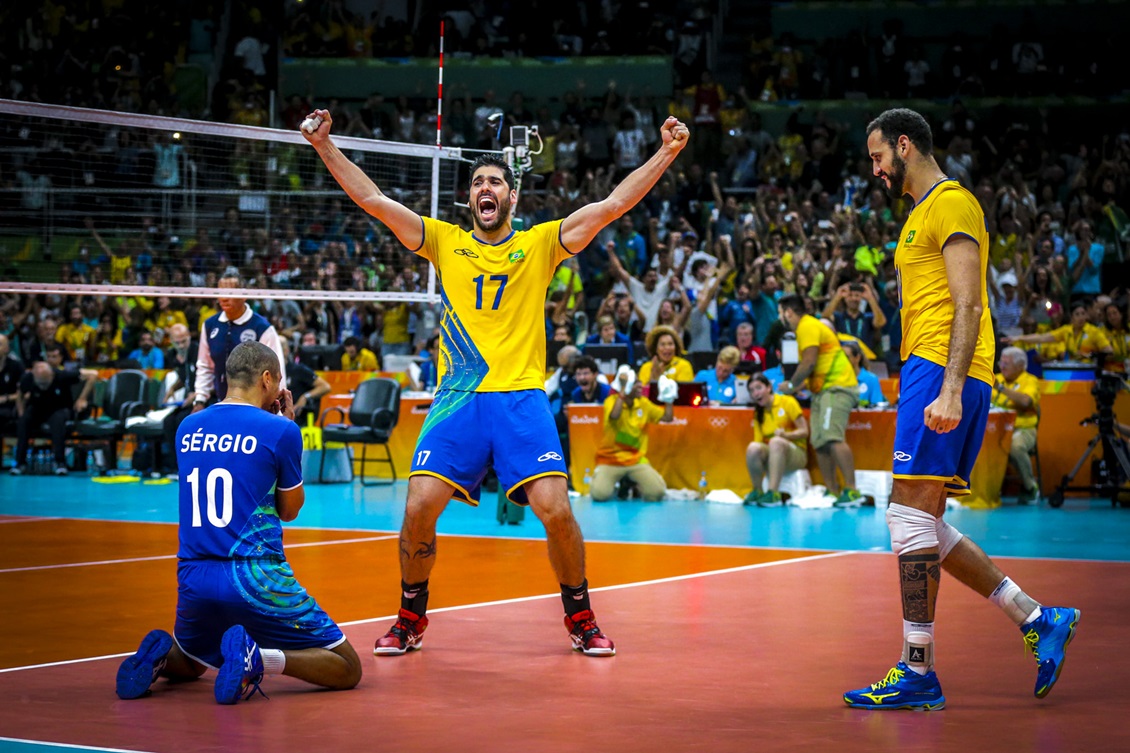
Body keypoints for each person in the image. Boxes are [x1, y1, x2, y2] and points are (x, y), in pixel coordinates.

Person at [304, 105, 690, 656]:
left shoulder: (540, 244)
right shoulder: (442, 241)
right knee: (416, 508)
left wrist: (667, 151)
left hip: (520, 399)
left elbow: (613, 204)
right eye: (478, 182)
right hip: (458, 400)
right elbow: (374, 201)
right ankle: (411, 615)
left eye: (496, 182)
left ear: (511, 197)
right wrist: (324, 147)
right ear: (470, 199)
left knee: (556, 510)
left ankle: (580, 615)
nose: (486, 188)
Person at [844, 107, 1079, 711]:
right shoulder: (920, 215)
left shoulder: (952, 202)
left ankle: (918, 671)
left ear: (904, 145)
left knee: (908, 520)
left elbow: (969, 303)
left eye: (877, 157)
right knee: (916, 518)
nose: (875, 171)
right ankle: (1037, 618)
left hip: (943, 369)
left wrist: (948, 388)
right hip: (929, 367)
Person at [115, 342, 361, 704]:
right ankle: (258, 659)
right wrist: (287, 429)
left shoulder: (188, 427)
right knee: (348, 667)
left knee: (196, 660)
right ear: (266, 379)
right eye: (278, 382)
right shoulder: (280, 431)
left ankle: (162, 658)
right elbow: (289, 510)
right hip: (254, 576)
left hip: (194, 576)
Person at [776, 295, 864, 507]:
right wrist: (802, 385)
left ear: (788, 312)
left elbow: (808, 362)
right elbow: (817, 366)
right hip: (822, 390)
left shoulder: (807, 326)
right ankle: (833, 491)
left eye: (781, 312)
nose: (780, 317)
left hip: (837, 387)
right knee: (819, 441)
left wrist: (790, 385)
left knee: (832, 438)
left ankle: (852, 491)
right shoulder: (805, 329)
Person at [193, 273, 285, 412]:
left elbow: (277, 372)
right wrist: (199, 399)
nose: (223, 298)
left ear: (244, 294)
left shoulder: (262, 328)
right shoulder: (210, 325)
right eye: (220, 292)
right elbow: (205, 366)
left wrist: (277, 409)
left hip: (255, 409)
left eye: (230, 292)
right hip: (220, 405)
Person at [590, 368, 675, 501]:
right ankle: (618, 482)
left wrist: (669, 399)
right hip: (610, 459)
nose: (641, 385)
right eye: (636, 382)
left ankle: (631, 482)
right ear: (627, 385)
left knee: (656, 493)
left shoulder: (643, 404)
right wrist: (623, 390)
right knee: (600, 495)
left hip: (635, 459)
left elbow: (667, 418)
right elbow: (614, 415)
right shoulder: (611, 401)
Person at [11, 358, 97, 475]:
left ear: (51, 374)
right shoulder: (28, 378)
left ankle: (60, 462)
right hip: (37, 408)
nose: (43, 387)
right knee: (24, 421)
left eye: (46, 383)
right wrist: (21, 411)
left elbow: (93, 375)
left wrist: (82, 398)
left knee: (57, 420)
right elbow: (20, 394)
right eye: (40, 384)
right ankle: (20, 463)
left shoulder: (62, 375)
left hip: (60, 408)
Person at [743, 373, 808, 507]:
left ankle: (773, 493)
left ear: (768, 388)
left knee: (776, 442)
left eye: (758, 388)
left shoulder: (787, 402)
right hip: (774, 455)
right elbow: (759, 442)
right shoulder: (758, 413)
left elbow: (804, 431)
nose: (755, 393)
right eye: (752, 390)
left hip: (796, 455)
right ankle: (758, 490)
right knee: (753, 448)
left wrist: (786, 436)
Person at [992, 346, 1042, 504]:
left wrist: (1001, 389)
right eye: (1001, 362)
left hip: (1023, 428)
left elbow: (1026, 401)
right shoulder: (995, 377)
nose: (1002, 366)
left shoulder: (1030, 380)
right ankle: (983, 492)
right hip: (993, 430)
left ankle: (1030, 488)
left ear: (1020, 366)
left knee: (1015, 446)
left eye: (1007, 363)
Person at [1004, 300, 1112, 364]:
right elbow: (1042, 337)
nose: (1081, 317)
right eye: (1077, 314)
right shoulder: (1066, 330)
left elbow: (1109, 351)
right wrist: (1018, 338)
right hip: (1071, 369)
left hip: (1089, 370)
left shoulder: (1094, 332)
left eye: (1083, 314)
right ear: (1071, 317)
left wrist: (1092, 355)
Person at [281, 338, 331, 425]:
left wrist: (305, 397)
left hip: (296, 419)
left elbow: (325, 387)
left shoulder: (298, 370)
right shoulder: (270, 372)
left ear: (286, 351)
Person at [841, 339, 888, 408]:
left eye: (847, 357)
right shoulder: (837, 378)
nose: (843, 361)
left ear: (857, 358)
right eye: (841, 357)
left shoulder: (871, 379)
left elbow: (877, 406)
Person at [0, 334, 24, 435]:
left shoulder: (16, 366)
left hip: (9, 406)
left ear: (7, 348)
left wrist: (5, 398)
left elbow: (23, 392)